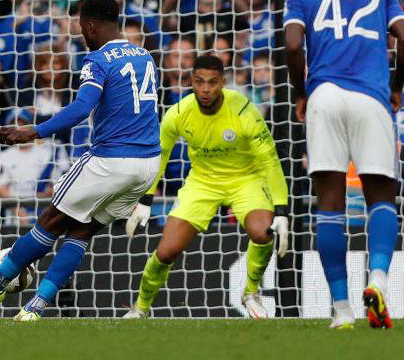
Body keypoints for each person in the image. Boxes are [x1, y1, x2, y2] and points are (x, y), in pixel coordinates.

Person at [0, 0, 161, 321]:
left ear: (90, 25)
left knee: (51, 219)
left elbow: (81, 107)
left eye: (80, 27)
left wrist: (32, 132)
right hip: (147, 165)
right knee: (81, 231)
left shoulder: (99, 60)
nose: (81, 34)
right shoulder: (144, 55)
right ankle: (35, 307)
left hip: (110, 159)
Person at [283, 0, 404, 329]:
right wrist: (395, 86)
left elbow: (292, 46)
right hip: (371, 96)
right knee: (381, 198)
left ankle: (341, 310)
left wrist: (302, 92)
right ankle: (377, 280)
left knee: (329, 205)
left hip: (324, 95)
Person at [122, 53, 290, 319]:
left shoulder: (245, 111)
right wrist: (145, 199)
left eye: (212, 82)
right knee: (166, 251)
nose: (205, 89)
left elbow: (270, 161)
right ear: (191, 81)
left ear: (223, 82)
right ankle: (139, 308)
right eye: (199, 82)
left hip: (245, 178)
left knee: (262, 232)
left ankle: (250, 293)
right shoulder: (178, 112)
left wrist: (281, 210)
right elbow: (160, 155)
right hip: (202, 182)